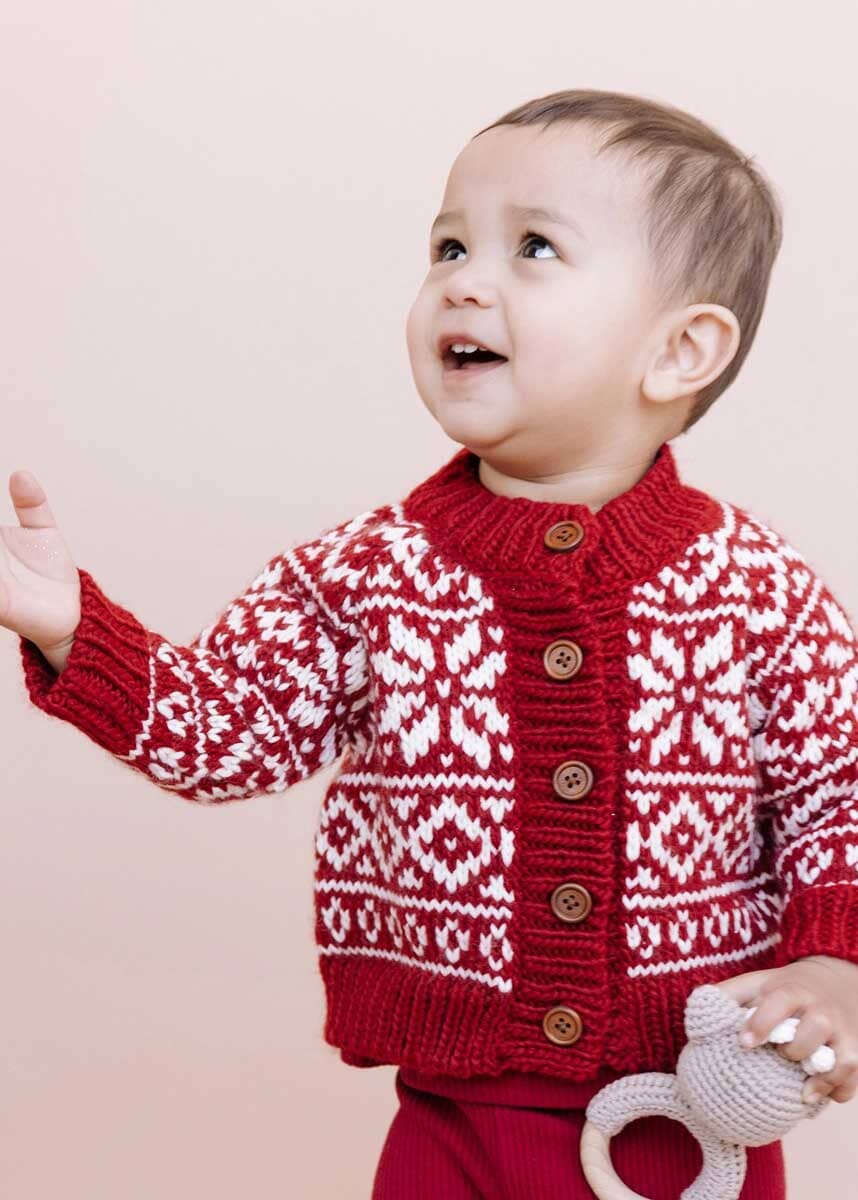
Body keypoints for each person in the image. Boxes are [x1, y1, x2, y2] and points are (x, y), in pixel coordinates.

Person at [4, 88, 858, 1199]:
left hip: (688, 1122)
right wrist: (75, 630)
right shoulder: (365, 574)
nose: (463, 280)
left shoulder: (757, 591)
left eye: (534, 247)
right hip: (453, 1117)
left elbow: (839, 794)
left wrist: (834, 963)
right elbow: (227, 731)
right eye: (449, 246)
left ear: (680, 349)